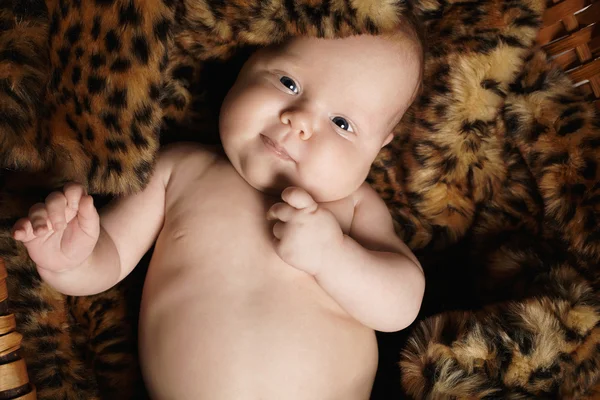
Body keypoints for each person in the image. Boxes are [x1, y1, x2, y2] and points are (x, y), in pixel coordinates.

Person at [12, 26, 425, 400]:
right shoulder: (180, 170)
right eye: (289, 82)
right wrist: (69, 258)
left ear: (380, 147)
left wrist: (333, 256)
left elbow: (400, 306)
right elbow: (111, 257)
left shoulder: (353, 206)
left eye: (341, 123)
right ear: (248, 66)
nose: (299, 121)